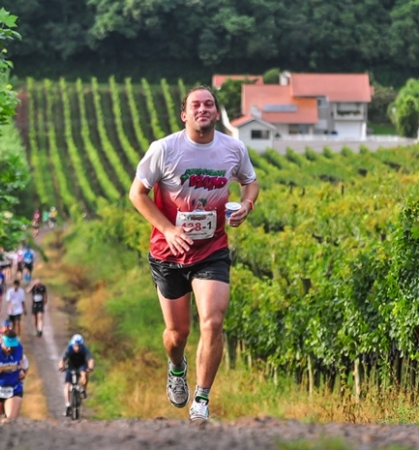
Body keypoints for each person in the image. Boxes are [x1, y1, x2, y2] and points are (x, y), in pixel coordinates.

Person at [128, 86, 259, 422]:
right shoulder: (165, 150)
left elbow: (250, 181)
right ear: (184, 114)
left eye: (209, 104)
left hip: (212, 249)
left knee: (213, 322)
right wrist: (168, 229)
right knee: (177, 334)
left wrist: (246, 204)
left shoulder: (233, 149)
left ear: (216, 113)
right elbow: (137, 194)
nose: (203, 109)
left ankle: (201, 400)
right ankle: (176, 366)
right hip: (168, 253)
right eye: (195, 105)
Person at [58, 334, 94, 417]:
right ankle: (67, 405)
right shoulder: (69, 349)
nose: (77, 348)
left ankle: (83, 389)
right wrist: (61, 366)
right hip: (71, 366)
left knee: (84, 374)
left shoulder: (84, 349)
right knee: (67, 385)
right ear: (73, 344)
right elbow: (62, 359)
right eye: (76, 346)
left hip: (81, 366)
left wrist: (90, 367)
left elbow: (90, 359)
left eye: (79, 346)